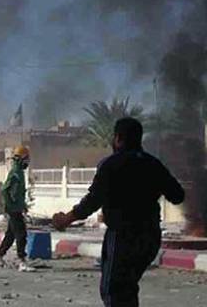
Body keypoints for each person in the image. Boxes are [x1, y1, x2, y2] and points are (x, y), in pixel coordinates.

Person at [53, 117, 185, 307]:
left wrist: (67, 219)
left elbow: (92, 201)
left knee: (113, 290)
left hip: (123, 237)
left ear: (118, 138)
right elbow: (177, 195)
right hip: (150, 238)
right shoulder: (153, 164)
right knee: (128, 287)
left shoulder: (111, 165)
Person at [0, 146, 35, 272]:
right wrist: (11, 204)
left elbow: (18, 193)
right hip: (13, 210)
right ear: (21, 159)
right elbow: (4, 190)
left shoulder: (20, 173)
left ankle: (0, 256)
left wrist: (22, 205)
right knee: (21, 234)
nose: (27, 162)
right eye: (26, 159)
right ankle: (22, 261)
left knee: (11, 235)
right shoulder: (15, 173)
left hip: (17, 208)